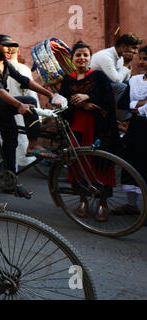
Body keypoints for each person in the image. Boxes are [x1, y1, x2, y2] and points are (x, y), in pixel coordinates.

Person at [0, 34, 62, 198]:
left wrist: (50, 95)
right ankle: (32, 145)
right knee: (28, 101)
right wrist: (19, 105)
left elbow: (25, 81)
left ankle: (11, 181)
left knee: (11, 141)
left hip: (4, 106)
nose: (10, 49)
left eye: (12, 46)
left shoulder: (6, 65)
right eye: (6, 46)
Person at [59, 41, 120, 222]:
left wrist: (88, 97)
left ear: (90, 58)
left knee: (100, 164)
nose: (82, 58)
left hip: (98, 128)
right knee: (79, 164)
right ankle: (83, 199)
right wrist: (79, 104)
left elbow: (108, 98)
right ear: (72, 58)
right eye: (78, 55)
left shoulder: (99, 76)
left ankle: (103, 203)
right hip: (76, 128)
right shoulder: (67, 79)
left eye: (85, 55)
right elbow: (63, 102)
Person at [117, 46, 147, 217]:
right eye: (141, 58)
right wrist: (141, 104)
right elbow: (122, 103)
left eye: (146, 59)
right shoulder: (135, 81)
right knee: (132, 165)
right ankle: (132, 205)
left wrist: (135, 105)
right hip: (136, 129)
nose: (142, 62)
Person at [90, 33, 143, 119]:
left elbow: (125, 79)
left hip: (107, 85)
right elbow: (117, 81)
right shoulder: (106, 56)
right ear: (123, 46)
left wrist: (127, 64)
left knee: (133, 84)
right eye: (134, 48)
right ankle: (124, 119)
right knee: (121, 87)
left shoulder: (120, 57)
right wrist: (126, 63)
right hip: (93, 87)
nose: (136, 52)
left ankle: (137, 112)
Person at [7, 45, 42, 167]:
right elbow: (31, 94)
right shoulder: (23, 69)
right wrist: (39, 117)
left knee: (8, 146)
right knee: (22, 141)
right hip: (23, 112)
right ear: (18, 52)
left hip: (5, 111)